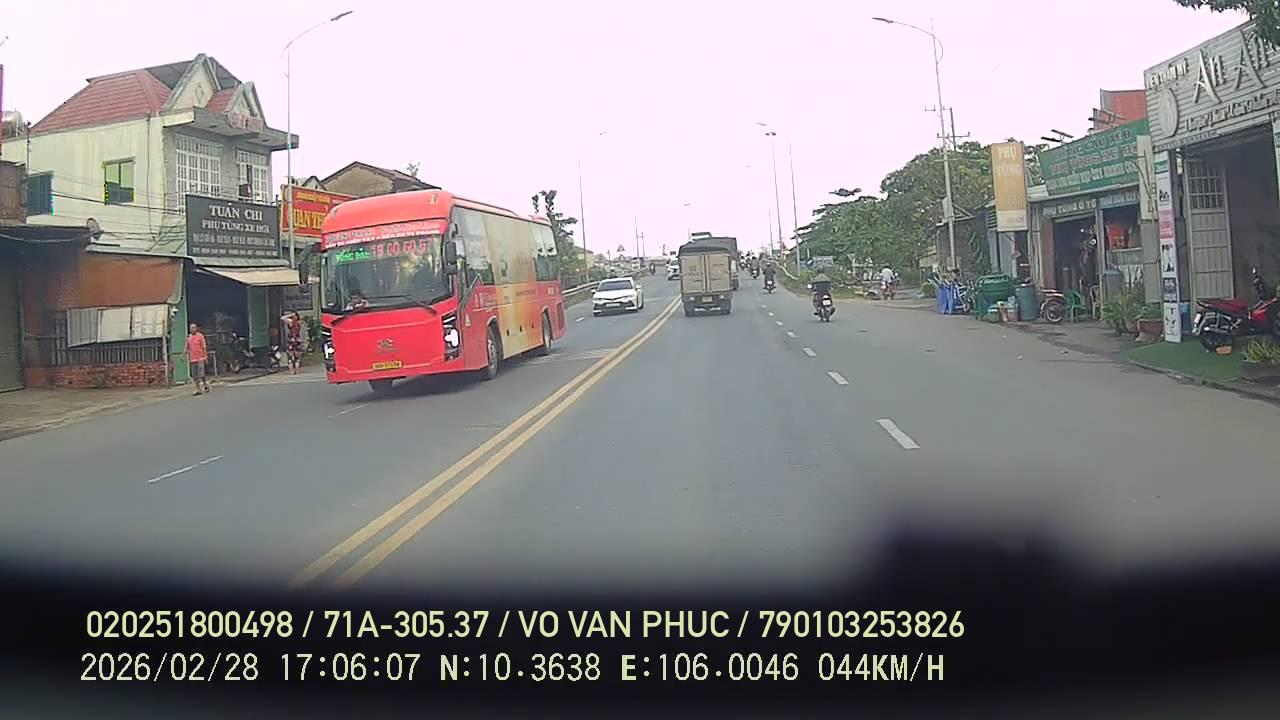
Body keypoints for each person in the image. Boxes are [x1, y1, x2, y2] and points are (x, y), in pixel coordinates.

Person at [186, 323, 211, 396]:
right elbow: (187, 347)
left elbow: (204, 347)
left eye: (194, 327)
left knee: (201, 374)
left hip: (200, 358)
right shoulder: (189, 337)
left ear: (196, 328)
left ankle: (205, 384)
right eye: (191, 328)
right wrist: (183, 355)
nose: (192, 329)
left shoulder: (200, 336)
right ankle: (198, 389)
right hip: (192, 359)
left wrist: (205, 357)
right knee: (194, 376)